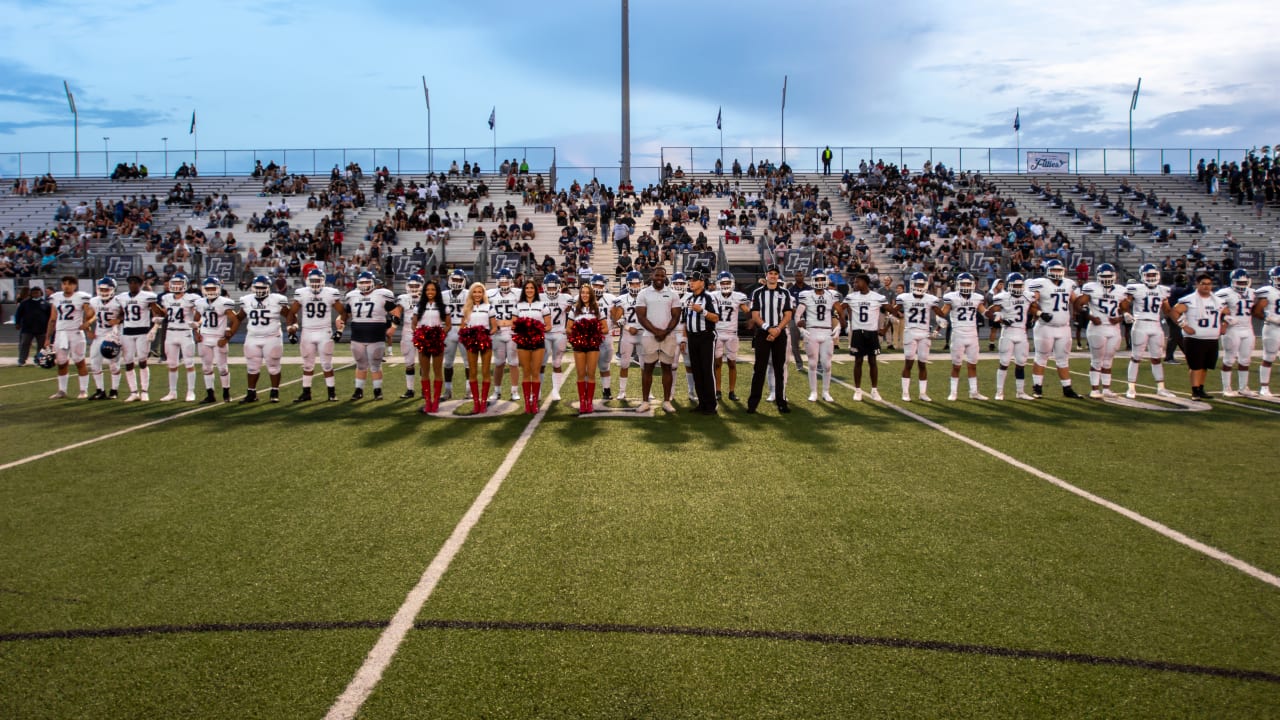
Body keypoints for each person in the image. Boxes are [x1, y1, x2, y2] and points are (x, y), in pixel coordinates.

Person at [1027, 259, 1083, 399]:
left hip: (1064, 327)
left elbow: (1075, 301)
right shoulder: (1041, 283)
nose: (1057, 273)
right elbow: (1031, 302)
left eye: (1059, 270)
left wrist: (1085, 306)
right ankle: (1037, 388)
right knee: (1041, 357)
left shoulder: (1069, 283)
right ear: (1048, 271)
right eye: (1054, 270)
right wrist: (1039, 313)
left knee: (1063, 359)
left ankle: (1067, 388)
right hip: (1046, 327)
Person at [341, 271, 400, 400]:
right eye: (362, 282)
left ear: (373, 283)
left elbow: (396, 312)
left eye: (367, 282)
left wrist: (394, 327)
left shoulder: (382, 294)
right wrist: (341, 319)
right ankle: (358, 390)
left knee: (375, 364)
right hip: (357, 333)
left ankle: (377, 390)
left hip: (376, 332)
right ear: (357, 283)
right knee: (360, 364)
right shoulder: (352, 296)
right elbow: (347, 314)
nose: (364, 284)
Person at [1120, 263, 1176, 399]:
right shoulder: (1135, 288)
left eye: (1153, 274)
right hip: (1140, 324)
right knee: (1136, 357)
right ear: (1142, 276)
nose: (1151, 277)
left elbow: (1167, 309)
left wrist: (1180, 320)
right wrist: (1126, 313)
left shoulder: (1163, 290)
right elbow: (1124, 304)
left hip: (1156, 325)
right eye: (1148, 275)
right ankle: (1131, 387)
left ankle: (1161, 388)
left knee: (1157, 358)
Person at [289, 269, 344, 402]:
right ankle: (306, 393)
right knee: (307, 365)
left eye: (318, 280)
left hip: (324, 331)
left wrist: (340, 330)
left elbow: (343, 312)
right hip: (307, 331)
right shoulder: (301, 293)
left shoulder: (330, 293)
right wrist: (291, 329)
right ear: (308, 280)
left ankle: (332, 393)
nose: (315, 283)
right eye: (313, 280)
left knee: (327, 364)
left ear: (323, 281)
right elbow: (292, 313)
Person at [1171, 273, 1228, 400]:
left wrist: (1224, 324)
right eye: (1203, 284)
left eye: (1209, 284)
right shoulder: (1189, 299)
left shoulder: (1217, 301)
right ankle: (1195, 391)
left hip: (1212, 338)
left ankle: (1201, 388)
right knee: (1195, 366)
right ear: (1197, 285)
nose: (1206, 287)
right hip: (1194, 339)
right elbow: (1174, 311)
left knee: (1205, 366)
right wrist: (1184, 326)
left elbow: (1228, 313)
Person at [746, 264, 794, 414]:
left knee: (780, 369)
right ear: (766, 275)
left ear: (778, 276)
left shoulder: (785, 293)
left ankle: (781, 402)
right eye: (770, 273)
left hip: (780, 333)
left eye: (775, 273)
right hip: (763, 333)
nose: (773, 276)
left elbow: (788, 315)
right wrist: (769, 328)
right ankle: (753, 403)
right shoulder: (758, 293)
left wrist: (778, 329)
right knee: (759, 369)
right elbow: (755, 316)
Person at [634, 266, 682, 414]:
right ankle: (645, 401)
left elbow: (676, 316)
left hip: (669, 336)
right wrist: (656, 331)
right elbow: (641, 316)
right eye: (657, 275)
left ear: (665, 277)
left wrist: (666, 331)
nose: (660, 278)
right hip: (649, 336)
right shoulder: (643, 293)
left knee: (667, 368)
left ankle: (667, 401)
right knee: (647, 369)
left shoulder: (673, 294)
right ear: (651, 276)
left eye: (662, 276)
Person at [236, 275, 291, 403]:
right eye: (257, 287)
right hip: (252, 337)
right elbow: (239, 317)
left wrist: (292, 327)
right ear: (252, 288)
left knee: (273, 366)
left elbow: (289, 315)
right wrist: (228, 330)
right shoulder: (246, 300)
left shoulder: (277, 300)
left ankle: (274, 391)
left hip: (272, 337)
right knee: (252, 367)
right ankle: (251, 393)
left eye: (262, 287)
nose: (259, 290)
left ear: (268, 288)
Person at [1075, 263, 1126, 398]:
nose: (1107, 279)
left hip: (1114, 329)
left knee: (1109, 360)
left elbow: (1125, 309)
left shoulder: (1120, 290)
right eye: (1104, 276)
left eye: (1109, 276)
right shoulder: (1092, 288)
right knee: (1097, 360)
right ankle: (1094, 389)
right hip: (1097, 328)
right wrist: (1090, 316)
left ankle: (1107, 389)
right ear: (1098, 277)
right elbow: (1078, 304)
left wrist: (1120, 318)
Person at [937, 272, 989, 401]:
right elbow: (943, 312)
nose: (965, 285)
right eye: (963, 283)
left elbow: (985, 312)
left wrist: (996, 314)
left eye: (968, 283)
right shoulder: (952, 297)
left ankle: (974, 391)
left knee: (973, 364)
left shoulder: (977, 297)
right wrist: (938, 319)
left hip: (972, 334)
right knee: (956, 365)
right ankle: (953, 392)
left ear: (972, 284)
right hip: (958, 334)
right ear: (958, 284)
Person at [796, 268, 843, 402]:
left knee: (827, 364)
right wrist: (801, 330)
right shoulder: (806, 295)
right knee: (812, 364)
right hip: (812, 331)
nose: (820, 281)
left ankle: (826, 392)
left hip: (827, 331)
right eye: (818, 279)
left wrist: (839, 325)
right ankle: (813, 392)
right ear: (812, 280)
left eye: (822, 279)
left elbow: (839, 311)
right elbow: (798, 315)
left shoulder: (831, 295)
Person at [987, 273, 1035, 400]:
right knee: (1004, 363)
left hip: (1022, 333)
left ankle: (1020, 392)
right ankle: (999, 392)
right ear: (1010, 286)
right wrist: (1001, 319)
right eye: (1016, 285)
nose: (1018, 288)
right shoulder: (1002, 297)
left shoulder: (1028, 296)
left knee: (1021, 363)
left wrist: (1040, 314)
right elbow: (989, 312)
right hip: (1008, 332)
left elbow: (1034, 308)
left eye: (1020, 285)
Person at [842, 272, 889, 401]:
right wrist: (842, 321)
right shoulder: (851, 297)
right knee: (858, 361)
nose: (855, 284)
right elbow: (839, 308)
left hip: (872, 333)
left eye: (857, 282)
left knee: (873, 362)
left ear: (865, 282)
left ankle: (874, 390)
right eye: (855, 282)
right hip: (858, 332)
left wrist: (886, 327)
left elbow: (892, 311)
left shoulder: (878, 297)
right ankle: (857, 390)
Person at [893, 272, 939, 402]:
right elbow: (894, 309)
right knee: (909, 363)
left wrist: (939, 326)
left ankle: (922, 393)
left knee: (923, 364)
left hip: (925, 333)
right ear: (912, 284)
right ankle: (905, 392)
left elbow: (939, 314)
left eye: (921, 284)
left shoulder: (930, 299)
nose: (919, 286)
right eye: (917, 284)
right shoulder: (905, 297)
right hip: (910, 332)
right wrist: (892, 316)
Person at [193, 276, 239, 403]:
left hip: (219, 338)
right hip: (204, 338)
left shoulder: (224, 302)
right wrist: (196, 332)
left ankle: (226, 393)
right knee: (206, 368)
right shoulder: (200, 302)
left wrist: (227, 337)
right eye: (208, 288)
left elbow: (235, 320)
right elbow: (196, 320)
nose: (211, 290)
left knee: (222, 367)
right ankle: (210, 395)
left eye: (213, 288)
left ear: (219, 288)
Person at [115, 275, 162, 401]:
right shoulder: (122, 297)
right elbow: (121, 314)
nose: (132, 285)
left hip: (142, 332)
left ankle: (145, 391)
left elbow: (158, 312)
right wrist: (116, 324)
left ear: (141, 284)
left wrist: (156, 324)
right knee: (128, 362)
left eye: (135, 283)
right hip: (127, 332)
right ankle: (133, 392)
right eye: (130, 283)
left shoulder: (147, 296)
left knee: (142, 361)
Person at [680, 271, 720, 414]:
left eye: (694, 280)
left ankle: (711, 405)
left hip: (706, 337)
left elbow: (716, 318)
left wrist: (702, 311)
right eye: (690, 280)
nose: (691, 283)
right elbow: (685, 321)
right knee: (697, 370)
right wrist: (684, 338)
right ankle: (702, 403)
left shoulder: (709, 298)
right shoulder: (689, 298)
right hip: (693, 338)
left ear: (702, 282)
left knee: (707, 371)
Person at [156, 273, 199, 402]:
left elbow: (199, 311)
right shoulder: (167, 298)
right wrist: (159, 317)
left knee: (189, 363)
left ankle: (191, 392)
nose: (176, 286)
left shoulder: (192, 298)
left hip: (185, 332)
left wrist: (197, 326)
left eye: (179, 283)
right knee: (172, 364)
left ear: (185, 284)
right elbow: (166, 312)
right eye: (174, 283)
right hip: (170, 332)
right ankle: (172, 392)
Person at [412, 280, 452, 414]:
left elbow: (448, 325)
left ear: (437, 292)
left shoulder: (443, 307)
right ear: (424, 291)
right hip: (423, 342)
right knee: (424, 372)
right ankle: (427, 401)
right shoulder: (419, 307)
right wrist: (419, 334)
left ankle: (435, 401)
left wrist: (440, 335)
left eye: (433, 290)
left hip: (436, 341)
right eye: (428, 290)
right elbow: (414, 324)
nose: (430, 292)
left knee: (437, 371)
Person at [1215, 269, 1256, 397]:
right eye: (1239, 282)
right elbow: (1212, 306)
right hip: (1232, 329)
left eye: (1244, 282)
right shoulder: (1225, 293)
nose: (1241, 285)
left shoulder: (1253, 293)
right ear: (1232, 282)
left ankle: (1243, 387)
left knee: (1245, 360)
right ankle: (1226, 387)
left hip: (1248, 328)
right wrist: (1225, 318)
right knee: (1229, 359)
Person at [568, 283, 607, 414]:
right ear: (580, 295)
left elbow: (605, 328)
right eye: (582, 292)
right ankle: (582, 402)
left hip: (593, 345)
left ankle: (589, 402)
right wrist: (579, 333)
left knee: (590, 374)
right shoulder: (574, 310)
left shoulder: (597, 310)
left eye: (587, 292)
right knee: (580, 374)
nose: (584, 295)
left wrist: (592, 332)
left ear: (591, 295)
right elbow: (568, 328)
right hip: (579, 345)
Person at [711, 271, 750, 402]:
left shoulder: (738, 297)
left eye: (728, 282)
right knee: (717, 364)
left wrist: (752, 311)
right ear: (718, 284)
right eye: (723, 282)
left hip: (732, 334)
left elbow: (747, 311)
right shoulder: (713, 296)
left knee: (732, 363)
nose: (725, 285)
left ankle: (732, 391)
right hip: (717, 333)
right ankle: (717, 390)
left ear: (732, 283)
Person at [460, 281, 497, 412]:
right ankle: (476, 403)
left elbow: (494, 327)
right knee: (473, 371)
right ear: (471, 293)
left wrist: (484, 334)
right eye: (474, 292)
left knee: (486, 371)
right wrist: (469, 336)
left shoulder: (489, 307)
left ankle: (483, 402)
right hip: (471, 343)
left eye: (479, 292)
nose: (477, 294)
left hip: (485, 342)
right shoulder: (466, 309)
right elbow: (462, 328)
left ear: (483, 294)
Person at [486, 269, 522, 403]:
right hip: (498, 332)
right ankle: (497, 391)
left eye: (506, 281)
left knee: (514, 363)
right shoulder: (490, 294)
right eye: (502, 281)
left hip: (513, 332)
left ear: (511, 281)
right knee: (499, 363)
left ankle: (514, 391)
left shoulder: (518, 293)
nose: (504, 283)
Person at [514, 280, 550, 414]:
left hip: (538, 341)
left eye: (532, 288)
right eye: (527, 288)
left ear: (536, 290)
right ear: (524, 290)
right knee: (526, 372)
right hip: (522, 341)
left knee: (535, 372)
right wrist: (524, 329)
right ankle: (526, 403)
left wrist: (536, 329)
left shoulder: (542, 305)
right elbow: (514, 324)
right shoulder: (518, 306)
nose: (529, 290)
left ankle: (534, 402)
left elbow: (548, 325)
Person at [86, 277, 124, 400]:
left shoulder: (119, 301)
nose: (103, 292)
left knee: (114, 365)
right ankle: (100, 391)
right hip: (99, 334)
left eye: (106, 289)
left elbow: (126, 314)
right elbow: (89, 316)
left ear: (113, 289)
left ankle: (114, 391)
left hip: (114, 335)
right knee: (94, 363)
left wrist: (119, 320)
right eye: (101, 289)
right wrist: (88, 330)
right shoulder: (94, 301)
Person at [539, 272, 573, 402]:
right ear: (545, 287)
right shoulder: (540, 297)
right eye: (550, 287)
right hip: (544, 333)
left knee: (557, 363)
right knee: (541, 363)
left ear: (559, 287)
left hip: (559, 334)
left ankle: (556, 391)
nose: (552, 290)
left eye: (554, 287)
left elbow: (573, 310)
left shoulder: (566, 297)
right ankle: (539, 390)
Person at [614, 270, 646, 401]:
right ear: (628, 285)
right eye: (632, 284)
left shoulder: (646, 297)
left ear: (641, 284)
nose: (635, 287)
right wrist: (627, 326)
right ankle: (622, 391)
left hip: (643, 334)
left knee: (645, 365)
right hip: (628, 334)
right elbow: (617, 319)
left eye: (637, 284)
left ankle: (647, 391)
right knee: (624, 364)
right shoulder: (622, 299)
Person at [440, 270, 472, 401]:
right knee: (447, 363)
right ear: (449, 280)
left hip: (464, 328)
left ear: (464, 280)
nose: (456, 282)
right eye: (454, 279)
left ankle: (469, 390)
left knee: (468, 363)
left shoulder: (469, 294)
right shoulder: (443, 295)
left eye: (459, 280)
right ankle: (448, 390)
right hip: (448, 329)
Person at [395, 275, 426, 399]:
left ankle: (425, 389)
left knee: (424, 363)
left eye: (416, 285)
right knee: (409, 363)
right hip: (408, 331)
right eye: (411, 285)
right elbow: (397, 313)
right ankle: (410, 389)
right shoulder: (403, 298)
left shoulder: (427, 297)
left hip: (423, 331)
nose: (414, 288)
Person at [1251, 266, 1280, 397]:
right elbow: (1254, 310)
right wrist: (1269, 317)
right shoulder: (1267, 291)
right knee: (1269, 357)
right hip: (1272, 328)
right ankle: (1264, 387)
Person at [669, 272, 698, 403]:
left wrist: (684, 338)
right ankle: (671, 392)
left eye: (681, 283)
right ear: (671, 284)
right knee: (672, 365)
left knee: (689, 364)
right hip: (671, 334)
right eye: (676, 283)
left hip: (686, 332)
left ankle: (691, 392)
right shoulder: (667, 296)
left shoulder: (691, 297)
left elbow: (690, 318)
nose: (679, 285)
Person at [590, 275, 618, 402]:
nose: (598, 288)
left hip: (605, 336)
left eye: (600, 286)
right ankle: (587, 392)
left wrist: (617, 318)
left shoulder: (611, 299)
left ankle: (606, 390)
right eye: (595, 285)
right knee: (587, 368)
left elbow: (616, 316)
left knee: (604, 366)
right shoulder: (583, 298)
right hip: (588, 337)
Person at [15, 286, 51, 367]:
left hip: (42, 328)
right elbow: (18, 314)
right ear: (30, 293)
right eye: (33, 293)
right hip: (27, 328)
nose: (35, 294)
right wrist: (17, 323)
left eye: (37, 292)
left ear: (41, 293)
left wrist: (50, 326)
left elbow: (50, 316)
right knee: (24, 344)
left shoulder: (46, 304)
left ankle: (38, 360)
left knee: (41, 346)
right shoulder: (25, 303)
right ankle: (21, 360)